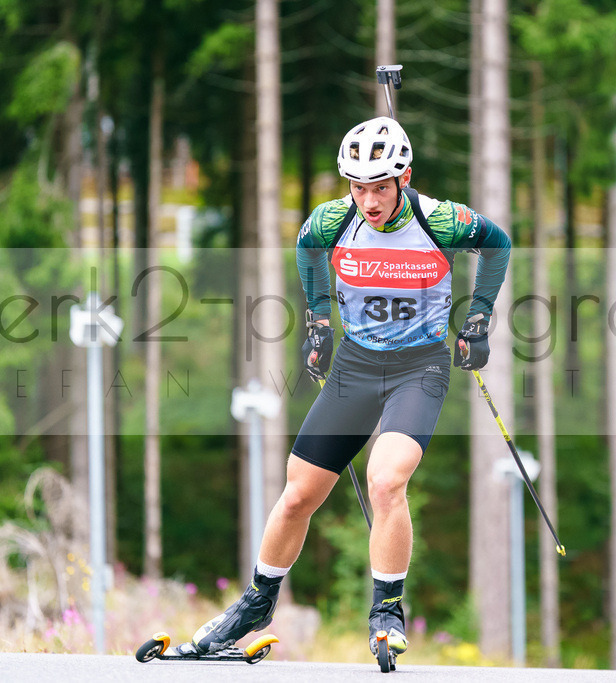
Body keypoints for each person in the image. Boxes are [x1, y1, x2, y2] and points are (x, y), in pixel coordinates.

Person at [186, 116, 511, 660]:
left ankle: (387, 610)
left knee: (386, 482)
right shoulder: (334, 220)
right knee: (297, 496)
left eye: (380, 186)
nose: (368, 200)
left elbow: (497, 244)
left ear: (403, 177)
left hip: (419, 368)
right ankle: (257, 601)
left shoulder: (442, 221)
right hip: (356, 368)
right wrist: (317, 323)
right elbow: (306, 248)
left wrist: (478, 318)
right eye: (358, 186)